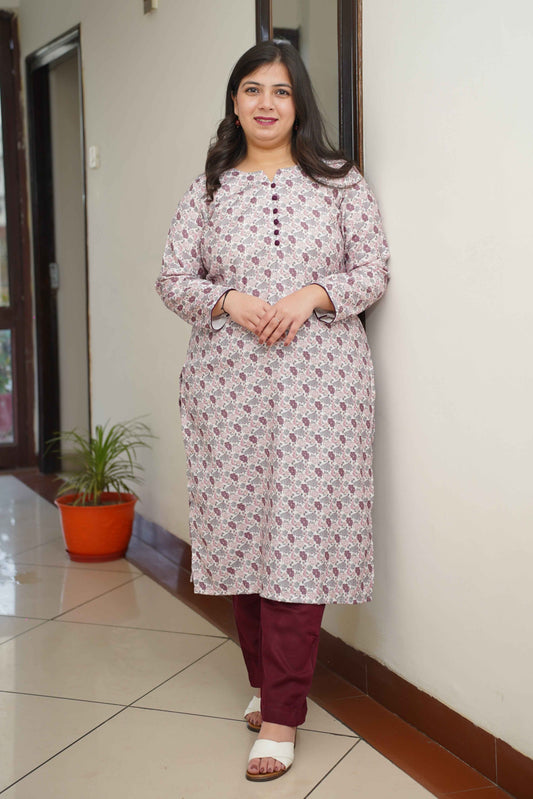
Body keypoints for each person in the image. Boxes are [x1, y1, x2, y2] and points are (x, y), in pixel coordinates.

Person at [156, 40, 390, 782]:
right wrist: (227, 298)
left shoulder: (339, 182)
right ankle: (266, 684)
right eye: (252, 89)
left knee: (300, 539)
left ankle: (284, 715)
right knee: (242, 533)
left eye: (281, 91)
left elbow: (373, 269)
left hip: (322, 387)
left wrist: (311, 295)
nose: (266, 103)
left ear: (299, 104)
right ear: (234, 103)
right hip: (227, 386)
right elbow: (172, 278)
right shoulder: (208, 189)